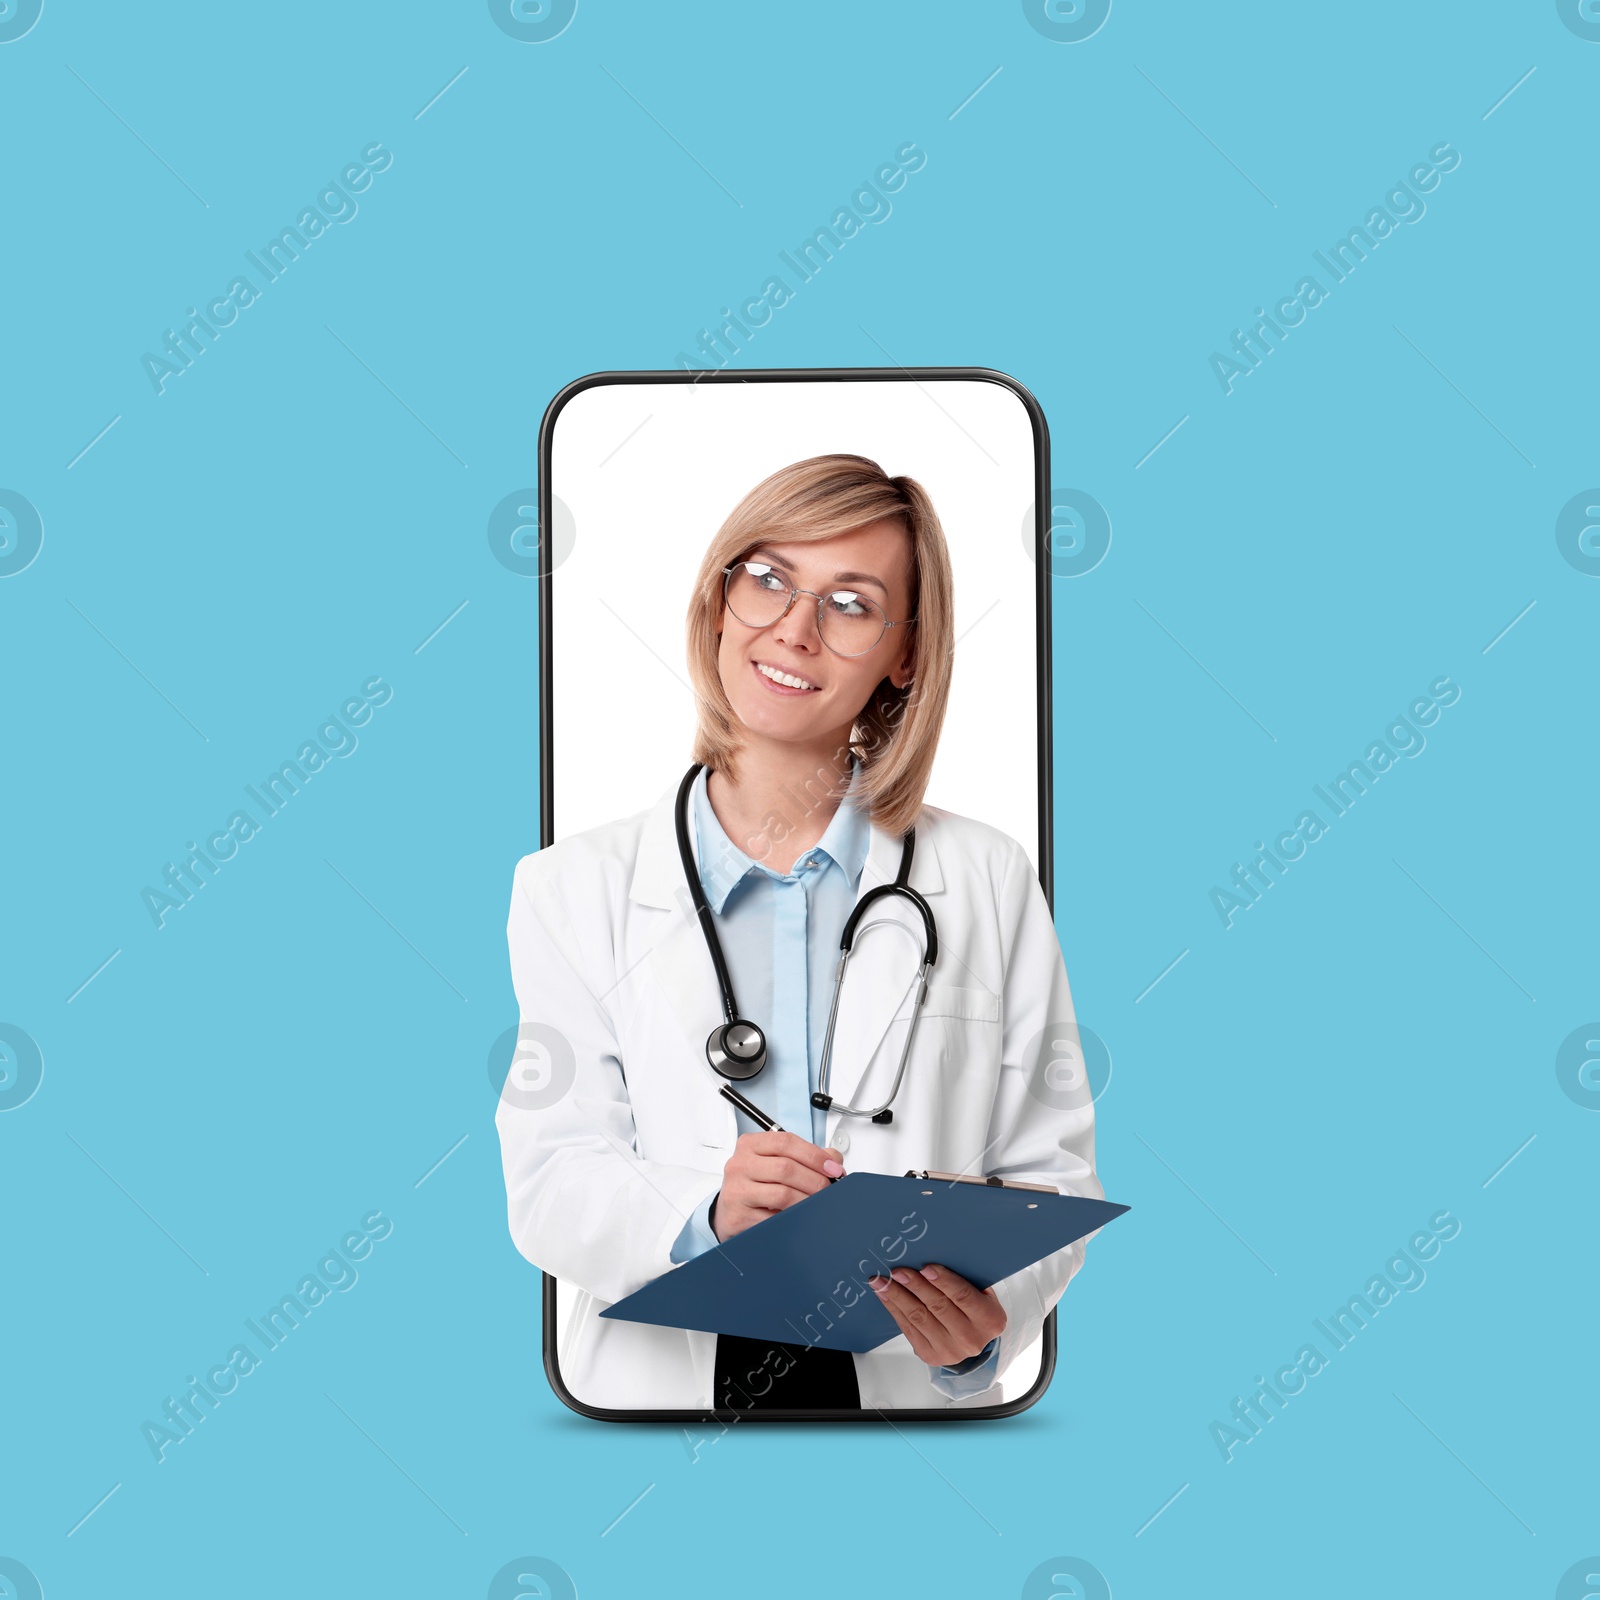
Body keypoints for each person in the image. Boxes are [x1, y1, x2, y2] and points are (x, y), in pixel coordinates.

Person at [494, 453, 1104, 1413]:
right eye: (768, 580)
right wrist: (706, 1217)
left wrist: (975, 1343)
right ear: (719, 601)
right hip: (664, 1402)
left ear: (906, 654)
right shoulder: (571, 888)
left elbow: (1048, 1175)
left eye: (851, 604)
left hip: (904, 1412)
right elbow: (553, 1175)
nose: (793, 630)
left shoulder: (984, 879)